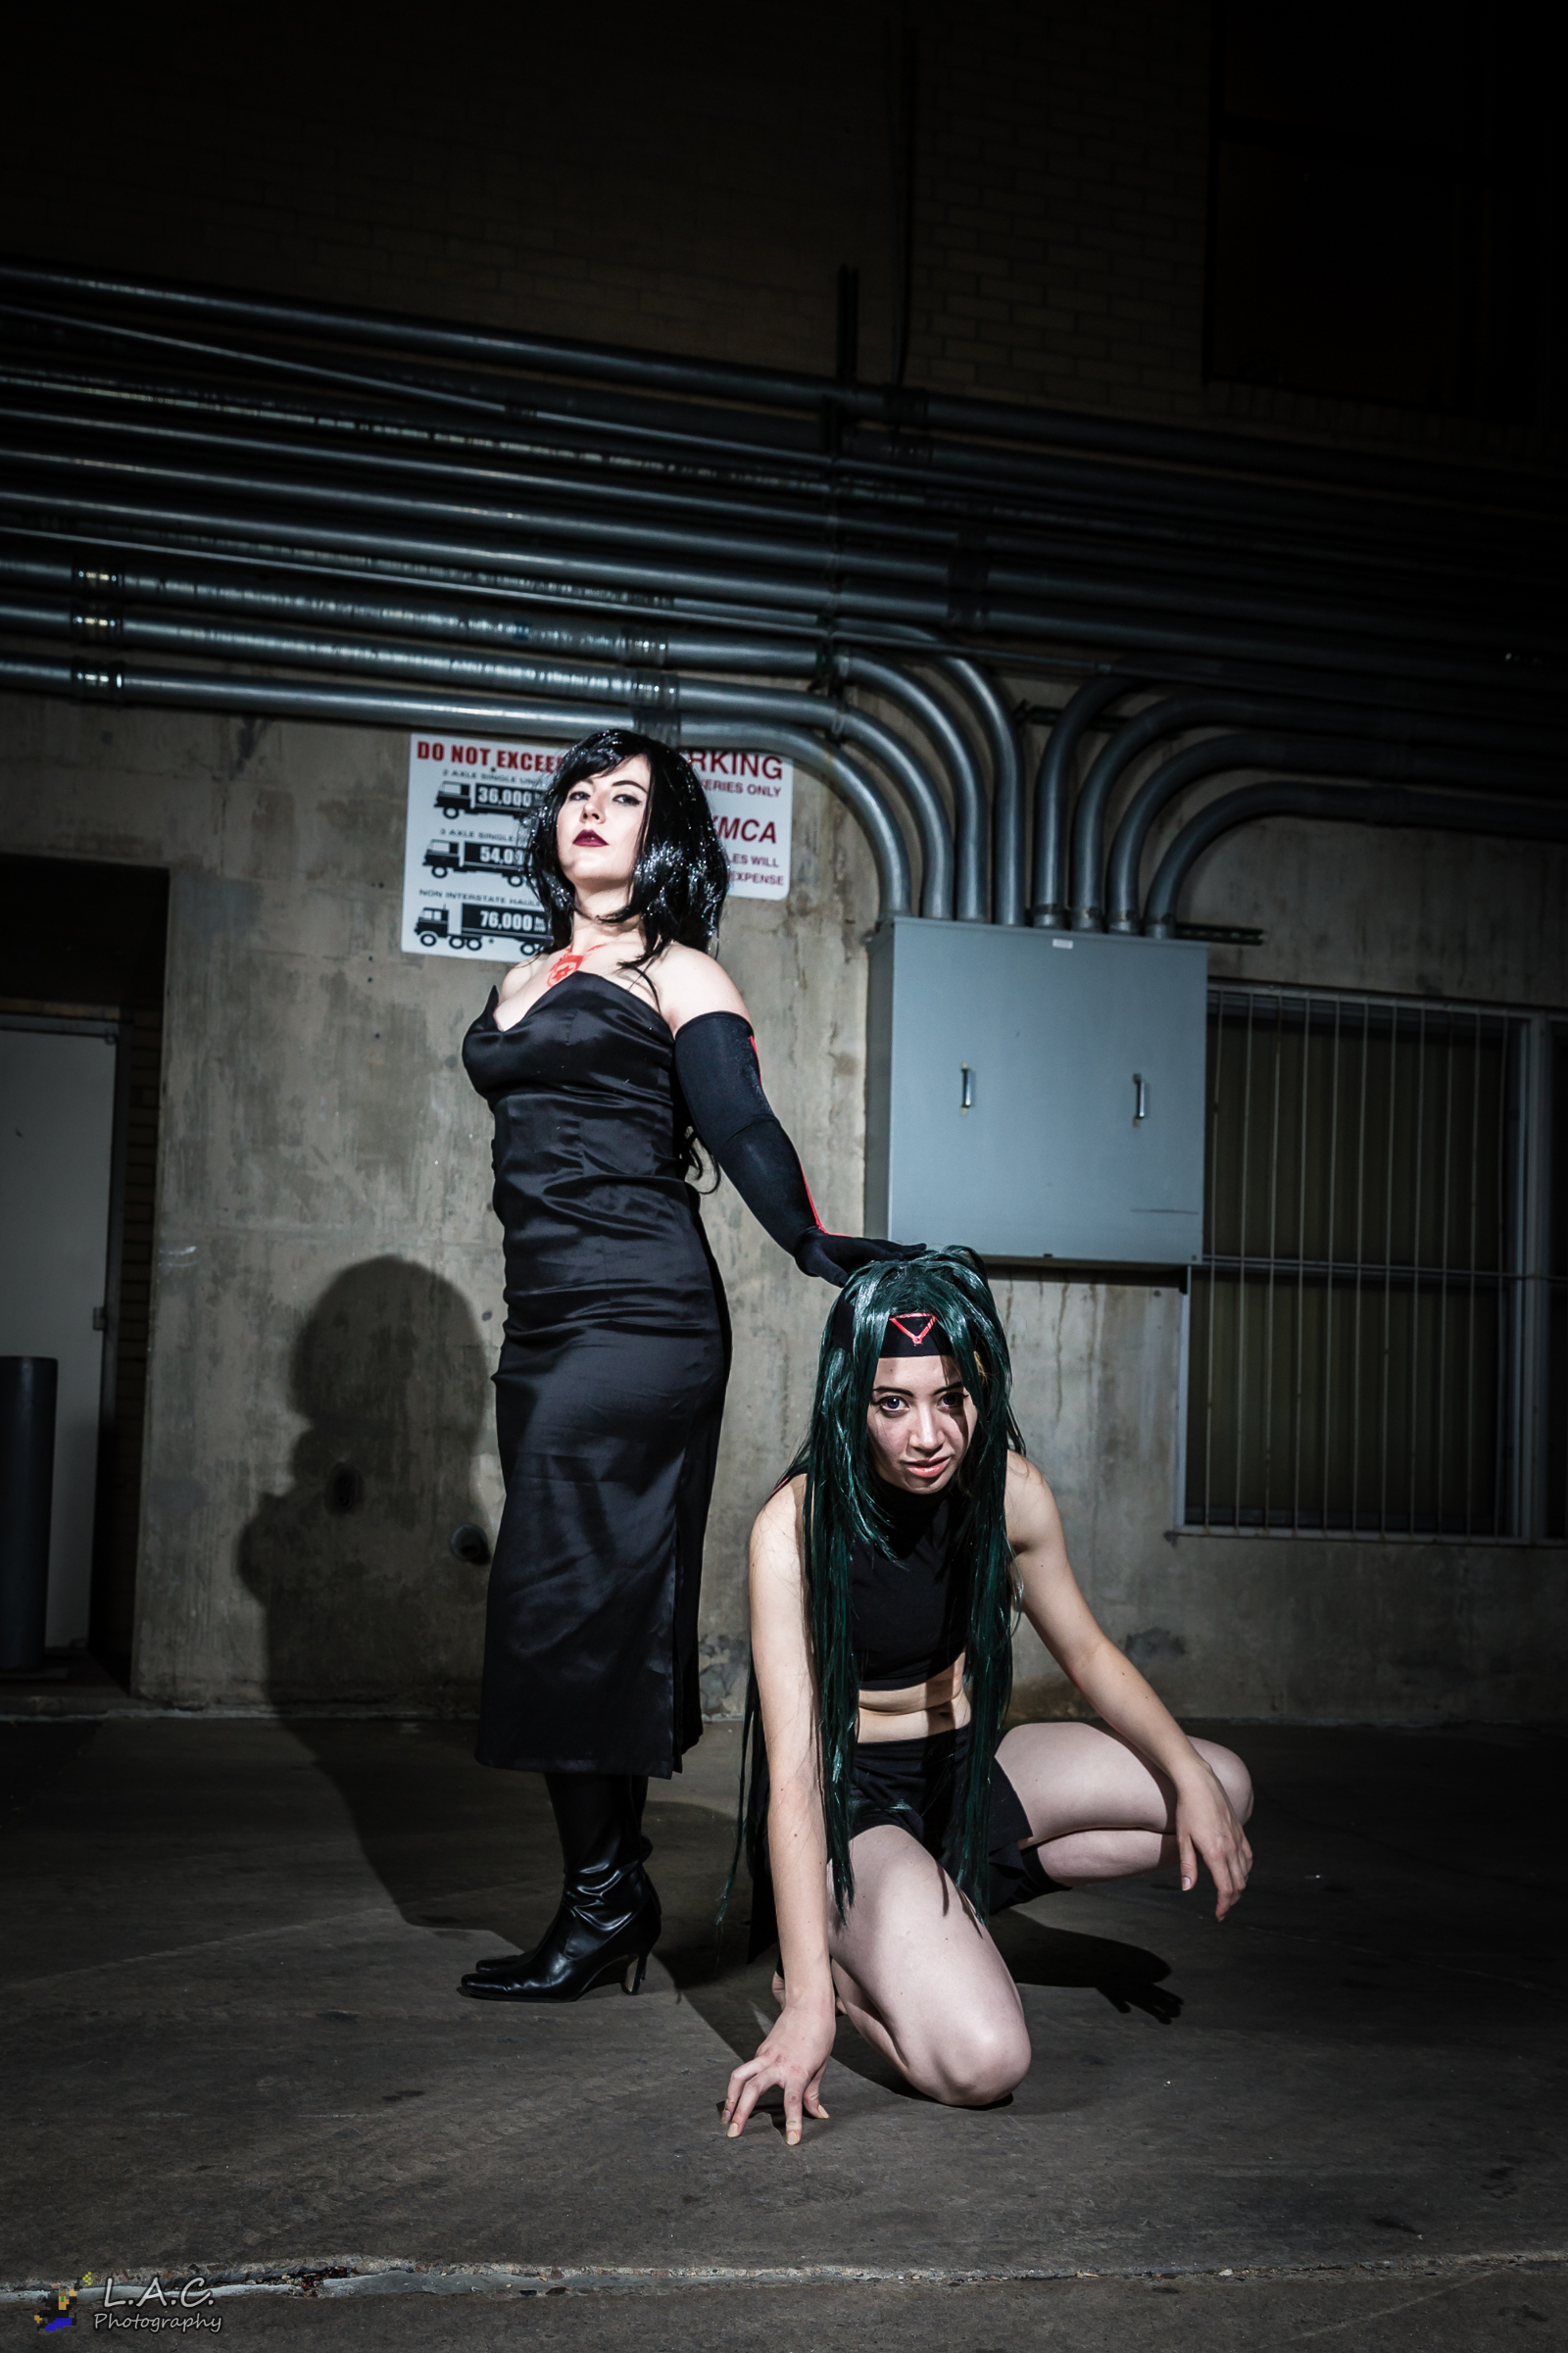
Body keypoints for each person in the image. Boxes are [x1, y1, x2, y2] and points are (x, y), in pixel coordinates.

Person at [458, 727, 915, 2006]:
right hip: (542, 1321)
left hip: (640, 1315)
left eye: (626, 798)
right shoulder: (524, 971)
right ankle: (608, 1891)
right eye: (579, 791)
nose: (591, 809)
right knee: (580, 1601)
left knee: (562, 1599)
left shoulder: (682, 970)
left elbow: (743, 1126)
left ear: (663, 841)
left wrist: (818, 1245)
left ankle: (605, 1898)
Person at [722, 1249, 1253, 2140]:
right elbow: (796, 1773)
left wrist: (1187, 1776)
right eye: (893, 1403)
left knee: (1220, 1788)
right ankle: (838, 1962)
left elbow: (1087, 1652)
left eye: (951, 1398)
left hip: (963, 1773)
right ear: (851, 1400)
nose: (927, 1434)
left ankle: (951, 1899)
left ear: (981, 1390)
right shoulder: (795, 1526)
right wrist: (810, 2001)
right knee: (985, 2062)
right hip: (852, 1806)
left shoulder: (1009, 1491)